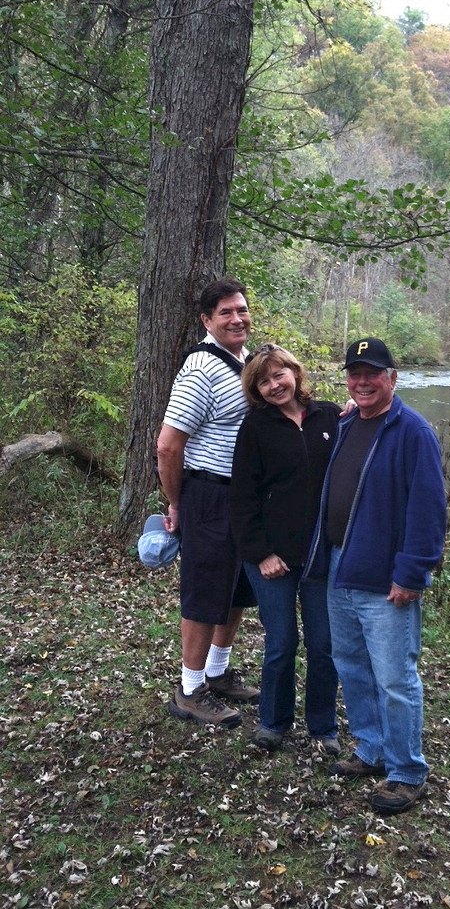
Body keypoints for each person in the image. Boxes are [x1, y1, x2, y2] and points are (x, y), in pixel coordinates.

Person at [304, 337, 447, 815]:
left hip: (385, 577)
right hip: (340, 565)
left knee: (394, 678)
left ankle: (406, 771)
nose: (363, 381)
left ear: (393, 377)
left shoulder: (412, 432)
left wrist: (411, 574)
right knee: (351, 665)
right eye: (355, 373)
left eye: (373, 373)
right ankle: (370, 749)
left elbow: (428, 512)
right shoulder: (347, 424)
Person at [157, 277, 259, 727]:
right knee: (204, 591)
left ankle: (216, 674)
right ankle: (189, 690)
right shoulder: (201, 369)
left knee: (234, 588)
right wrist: (177, 503)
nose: (237, 318)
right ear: (206, 320)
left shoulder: (246, 361)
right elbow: (167, 445)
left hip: (242, 496)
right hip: (208, 494)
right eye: (225, 313)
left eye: (241, 309)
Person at [229, 344, 341, 754]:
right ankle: (274, 723)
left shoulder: (329, 416)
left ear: (295, 373)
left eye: (279, 375)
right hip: (270, 558)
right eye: (263, 380)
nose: (274, 385)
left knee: (323, 643)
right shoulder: (255, 428)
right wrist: (261, 553)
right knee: (281, 643)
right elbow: (241, 499)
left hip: (318, 555)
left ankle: (323, 726)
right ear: (255, 389)